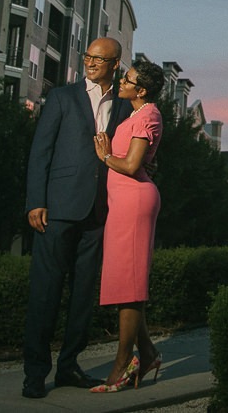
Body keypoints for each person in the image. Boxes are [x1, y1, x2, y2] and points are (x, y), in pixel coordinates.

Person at [21, 37, 132, 400]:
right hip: (58, 209)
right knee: (45, 293)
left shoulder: (124, 107)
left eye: (99, 58)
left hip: (100, 212)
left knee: (83, 296)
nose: (90, 63)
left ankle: (69, 366)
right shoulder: (62, 98)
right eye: (87, 56)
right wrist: (36, 200)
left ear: (115, 64)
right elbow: (41, 152)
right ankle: (35, 373)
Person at [90, 59, 166, 392]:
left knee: (130, 286)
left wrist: (105, 157)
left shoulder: (148, 115)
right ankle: (147, 354)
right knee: (127, 282)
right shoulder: (136, 115)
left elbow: (133, 164)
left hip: (134, 203)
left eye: (128, 78)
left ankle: (122, 366)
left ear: (142, 90)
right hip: (123, 205)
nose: (122, 80)